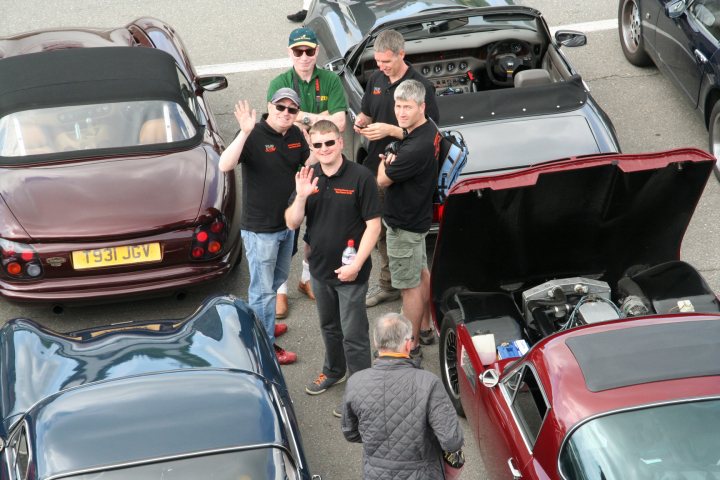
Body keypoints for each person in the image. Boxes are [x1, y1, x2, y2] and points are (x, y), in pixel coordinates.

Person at [286, 120, 381, 413]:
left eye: (330, 142)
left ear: (340, 142)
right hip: (319, 270)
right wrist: (301, 195)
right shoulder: (307, 176)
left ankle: (361, 391)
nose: (324, 149)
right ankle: (334, 370)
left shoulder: (361, 177)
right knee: (329, 327)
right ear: (312, 147)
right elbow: (291, 222)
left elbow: (374, 226)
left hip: (351, 272)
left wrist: (357, 266)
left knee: (354, 334)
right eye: (318, 144)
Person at [219, 88, 312, 365]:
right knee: (262, 289)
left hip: (287, 225)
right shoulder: (254, 134)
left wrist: (320, 143)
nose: (285, 113)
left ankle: (263, 322)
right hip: (260, 229)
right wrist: (245, 131)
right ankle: (264, 347)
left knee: (275, 280)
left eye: (291, 109)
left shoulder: (295, 135)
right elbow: (225, 164)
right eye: (280, 107)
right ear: (269, 106)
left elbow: (306, 162)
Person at [353, 29, 439, 321]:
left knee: (401, 240)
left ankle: (404, 295)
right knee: (379, 231)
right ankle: (389, 282)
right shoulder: (376, 79)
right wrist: (361, 121)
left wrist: (391, 131)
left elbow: (431, 131)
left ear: (402, 54)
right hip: (376, 164)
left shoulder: (420, 87)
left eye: (387, 61)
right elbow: (367, 110)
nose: (381, 67)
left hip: (397, 174)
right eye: (377, 61)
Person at [268, 26, 349, 319]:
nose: (304, 57)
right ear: (289, 52)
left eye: (309, 51)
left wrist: (302, 120)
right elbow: (277, 119)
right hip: (288, 165)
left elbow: (339, 123)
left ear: (317, 52)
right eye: (298, 51)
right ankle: (280, 290)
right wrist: (319, 120)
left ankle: (305, 278)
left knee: (318, 225)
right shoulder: (279, 81)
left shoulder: (329, 80)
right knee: (286, 226)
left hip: (322, 163)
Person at [341, 313, 464, 479]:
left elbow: (350, 433)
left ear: (376, 343)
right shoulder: (429, 383)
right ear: (408, 344)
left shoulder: (355, 382)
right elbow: (451, 441)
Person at [376, 79, 439, 361]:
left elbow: (382, 180)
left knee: (408, 287)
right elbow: (405, 135)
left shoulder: (415, 149)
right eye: (398, 106)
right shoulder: (428, 130)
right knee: (420, 273)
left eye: (407, 107)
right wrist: (396, 143)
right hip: (419, 219)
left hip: (404, 226)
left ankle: (410, 345)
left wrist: (386, 157)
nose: (401, 112)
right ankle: (425, 327)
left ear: (421, 106)